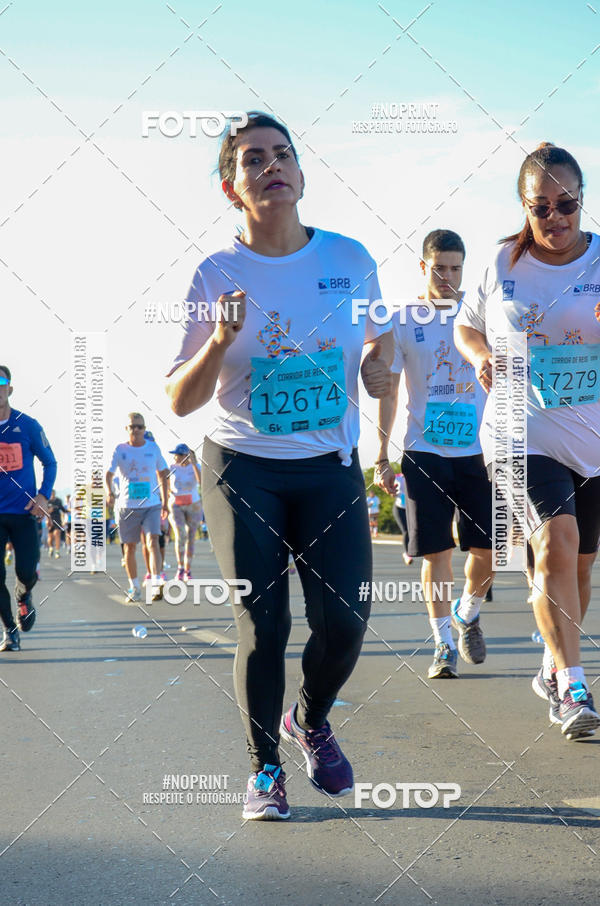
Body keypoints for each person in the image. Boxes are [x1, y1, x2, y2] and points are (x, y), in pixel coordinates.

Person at [165, 111, 393, 820]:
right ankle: (265, 770)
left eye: (283, 154)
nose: (272, 167)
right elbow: (179, 398)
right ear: (233, 187)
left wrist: (380, 372)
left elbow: (380, 342)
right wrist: (218, 342)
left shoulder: (350, 259)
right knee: (263, 623)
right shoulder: (217, 273)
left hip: (328, 467)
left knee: (348, 621)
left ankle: (311, 719)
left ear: (300, 171)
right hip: (243, 469)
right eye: (254, 160)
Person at [455, 143, 600, 740]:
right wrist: (482, 353)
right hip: (520, 431)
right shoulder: (500, 263)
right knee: (555, 544)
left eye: (567, 203)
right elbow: (467, 324)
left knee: (582, 565)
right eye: (541, 207)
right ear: (524, 207)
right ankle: (573, 686)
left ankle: (550, 664)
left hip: (589, 439)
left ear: (582, 199)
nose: (556, 217)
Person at [375, 230, 493, 679]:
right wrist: (382, 456)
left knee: (487, 549)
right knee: (436, 553)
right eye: (439, 268)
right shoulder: (403, 320)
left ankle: (467, 612)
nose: (448, 277)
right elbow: (388, 390)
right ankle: (443, 644)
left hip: (479, 451)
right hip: (424, 450)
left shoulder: (479, 313)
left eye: (456, 268)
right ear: (423, 268)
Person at [0, 365, 57, 651]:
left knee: (25, 571)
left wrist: (44, 496)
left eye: (1, 382)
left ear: (9, 388)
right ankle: (10, 630)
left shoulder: (28, 425)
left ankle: (24, 596)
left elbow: (50, 462)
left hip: (23, 512)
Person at [105, 413, 169, 603]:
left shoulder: (153, 448)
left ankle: (156, 582)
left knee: (153, 541)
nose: (136, 430)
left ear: (145, 429)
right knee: (130, 548)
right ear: (127, 429)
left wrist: (165, 501)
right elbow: (108, 474)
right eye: (132, 426)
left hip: (151, 504)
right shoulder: (120, 449)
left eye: (140, 427)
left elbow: (164, 474)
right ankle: (134, 587)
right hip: (127, 506)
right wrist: (109, 492)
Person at [167, 443, 202, 582]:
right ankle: (180, 568)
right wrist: (170, 494)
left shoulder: (195, 467)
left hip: (193, 504)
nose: (176, 457)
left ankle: (188, 569)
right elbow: (166, 485)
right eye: (175, 454)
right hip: (176, 504)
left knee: (191, 537)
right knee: (180, 535)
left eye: (179, 454)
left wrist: (194, 464)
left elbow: (201, 481)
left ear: (186, 456)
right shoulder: (171, 468)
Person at [393, 471, 412, 565]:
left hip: (411, 508)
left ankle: (414, 550)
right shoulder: (397, 477)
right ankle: (407, 554)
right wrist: (393, 492)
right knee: (406, 530)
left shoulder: (415, 475)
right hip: (399, 508)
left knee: (413, 530)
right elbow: (392, 490)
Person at [47, 489, 66, 558]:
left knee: (57, 534)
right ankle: (51, 548)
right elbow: (44, 512)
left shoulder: (58, 501)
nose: (52, 495)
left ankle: (57, 552)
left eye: (53, 493)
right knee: (50, 538)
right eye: (51, 493)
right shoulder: (47, 501)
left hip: (57, 520)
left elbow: (63, 510)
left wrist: (64, 520)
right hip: (50, 521)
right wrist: (49, 511)